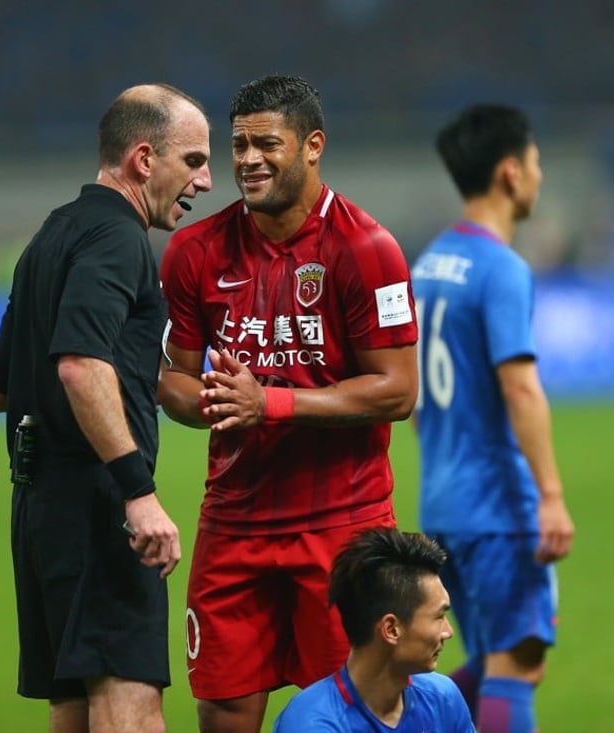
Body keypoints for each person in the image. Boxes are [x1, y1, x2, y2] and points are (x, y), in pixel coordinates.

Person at [158, 75, 419, 733]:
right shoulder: (194, 252)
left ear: (312, 146)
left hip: (341, 525)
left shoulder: (368, 248)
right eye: (238, 144)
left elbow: (397, 389)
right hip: (234, 523)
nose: (247, 159)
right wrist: (215, 402)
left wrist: (269, 403)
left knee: (354, 714)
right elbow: (173, 380)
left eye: (266, 143)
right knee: (222, 711)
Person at [0, 83, 212, 733]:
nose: (206, 179)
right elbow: (81, 363)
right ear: (144, 159)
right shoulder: (118, 240)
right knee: (128, 696)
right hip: (100, 504)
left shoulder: (51, 235)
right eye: (193, 160)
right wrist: (136, 491)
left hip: (38, 508)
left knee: (76, 703)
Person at [410, 104, 576, 733]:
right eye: (536, 162)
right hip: (500, 504)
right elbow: (522, 387)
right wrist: (551, 497)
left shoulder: (426, 266)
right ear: (511, 171)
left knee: (489, 658)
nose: (539, 174)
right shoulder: (501, 268)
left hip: (443, 500)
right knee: (518, 660)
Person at [273, 528, 475, 732]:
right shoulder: (312, 724)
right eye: (439, 616)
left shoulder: (443, 698)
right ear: (391, 629)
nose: (448, 632)